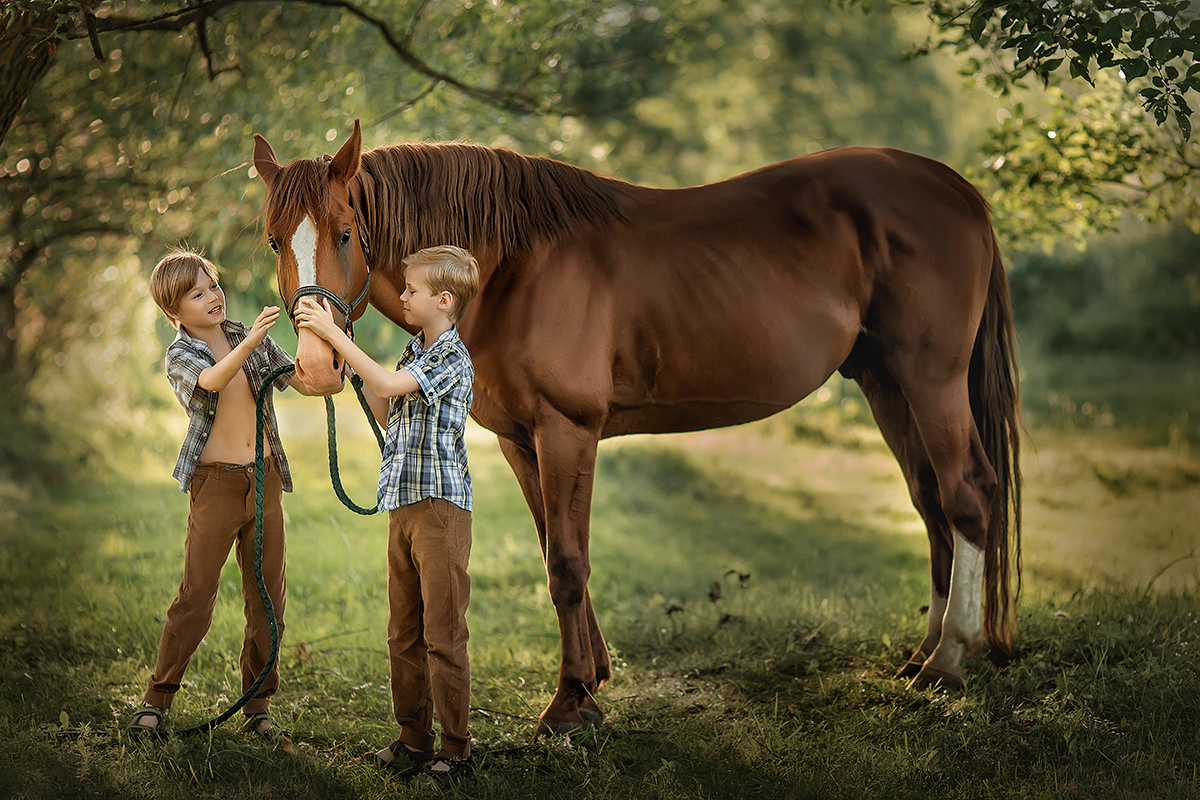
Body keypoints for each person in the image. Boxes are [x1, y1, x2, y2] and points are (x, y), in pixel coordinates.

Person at [293, 244, 479, 779]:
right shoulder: (414, 352)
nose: (400, 297)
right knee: (403, 630)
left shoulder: (450, 357)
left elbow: (389, 385)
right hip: (402, 507)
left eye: (411, 291)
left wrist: (334, 337)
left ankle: (457, 748)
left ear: (443, 300)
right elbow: (384, 401)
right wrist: (344, 351)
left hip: (440, 511)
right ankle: (413, 737)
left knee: (443, 633)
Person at [127, 248, 309, 742]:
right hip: (217, 485)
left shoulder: (243, 335)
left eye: (213, 285)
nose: (212, 297)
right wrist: (251, 343)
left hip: (265, 478)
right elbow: (210, 382)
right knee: (196, 596)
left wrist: (329, 346)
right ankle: (158, 697)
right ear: (173, 313)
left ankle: (260, 704)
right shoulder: (182, 355)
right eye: (197, 293)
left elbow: (301, 378)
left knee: (267, 596)